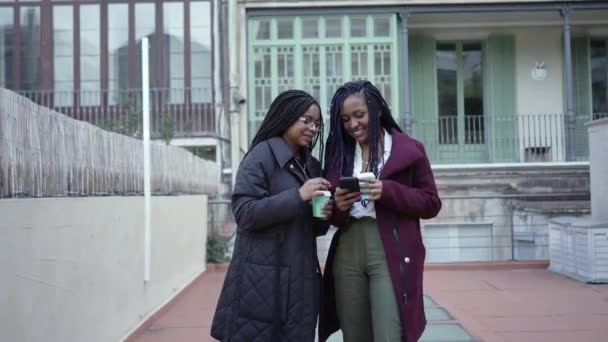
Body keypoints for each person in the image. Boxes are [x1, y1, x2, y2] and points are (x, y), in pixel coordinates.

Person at [318, 80, 442, 342]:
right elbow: (329, 213)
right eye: (345, 119)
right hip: (348, 249)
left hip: (390, 248)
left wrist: (387, 191)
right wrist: (337, 207)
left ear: (375, 110)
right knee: (354, 335)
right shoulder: (339, 153)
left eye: (359, 115)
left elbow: (431, 203)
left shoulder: (409, 149)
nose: (353, 124)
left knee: (389, 332)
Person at [211, 90, 333, 342]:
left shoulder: (310, 164)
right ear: (286, 116)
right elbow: (245, 214)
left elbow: (312, 228)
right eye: (306, 120)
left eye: (317, 124)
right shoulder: (259, 157)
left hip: (301, 281)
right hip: (263, 281)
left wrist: (324, 215)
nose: (313, 128)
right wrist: (298, 196)